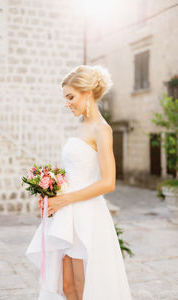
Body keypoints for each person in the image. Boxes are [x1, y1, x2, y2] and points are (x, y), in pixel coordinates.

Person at [25, 64, 133, 300]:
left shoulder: (102, 129)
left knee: (85, 286)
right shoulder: (81, 126)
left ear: (88, 93)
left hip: (85, 214)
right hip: (66, 214)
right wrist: (51, 194)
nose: (67, 103)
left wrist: (64, 199)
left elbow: (108, 182)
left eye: (70, 97)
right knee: (66, 285)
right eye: (66, 98)